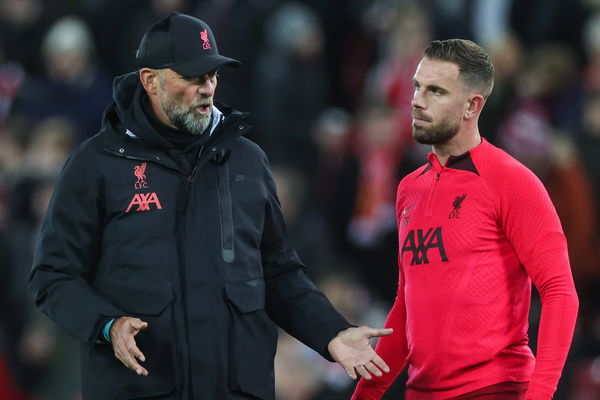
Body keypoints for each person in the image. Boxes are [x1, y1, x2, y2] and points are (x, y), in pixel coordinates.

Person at [28, 12, 393, 400]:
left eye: (213, 76)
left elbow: (278, 272)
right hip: (139, 388)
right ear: (151, 80)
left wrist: (330, 332)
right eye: (193, 77)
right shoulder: (96, 164)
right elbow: (53, 275)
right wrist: (107, 324)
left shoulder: (247, 161)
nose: (208, 88)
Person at [352, 39, 579, 400]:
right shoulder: (409, 189)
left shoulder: (511, 181)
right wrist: (366, 394)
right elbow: (407, 304)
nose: (417, 100)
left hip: (494, 389)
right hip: (420, 391)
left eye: (436, 91)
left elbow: (560, 292)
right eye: (417, 86)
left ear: (473, 105)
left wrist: (541, 395)